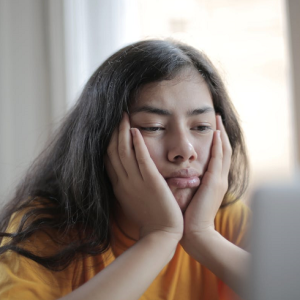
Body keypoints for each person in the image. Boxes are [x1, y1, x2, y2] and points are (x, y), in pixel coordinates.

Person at [0, 39, 251, 300]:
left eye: (201, 127)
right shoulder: (47, 227)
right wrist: (159, 236)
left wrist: (202, 235)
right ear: (103, 139)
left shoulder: (224, 218)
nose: (185, 150)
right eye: (153, 127)